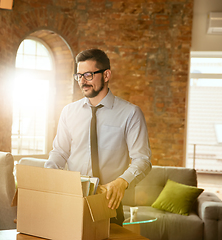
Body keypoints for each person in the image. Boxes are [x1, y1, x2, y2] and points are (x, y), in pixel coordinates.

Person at [44, 48, 152, 226]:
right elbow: (59, 152)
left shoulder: (131, 113)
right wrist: (46, 176)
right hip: (72, 201)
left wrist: (122, 182)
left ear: (106, 75)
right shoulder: (68, 112)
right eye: (79, 76)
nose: (82, 81)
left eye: (88, 75)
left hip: (108, 202)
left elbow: (142, 160)